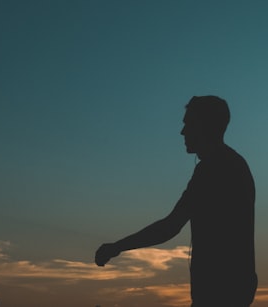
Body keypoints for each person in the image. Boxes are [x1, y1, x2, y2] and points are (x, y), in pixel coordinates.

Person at [95, 95, 256, 307]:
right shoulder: (233, 165)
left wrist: (116, 247)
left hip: (219, 292)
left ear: (204, 126)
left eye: (188, 124)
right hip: (232, 290)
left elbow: (169, 226)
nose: (183, 132)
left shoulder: (212, 170)